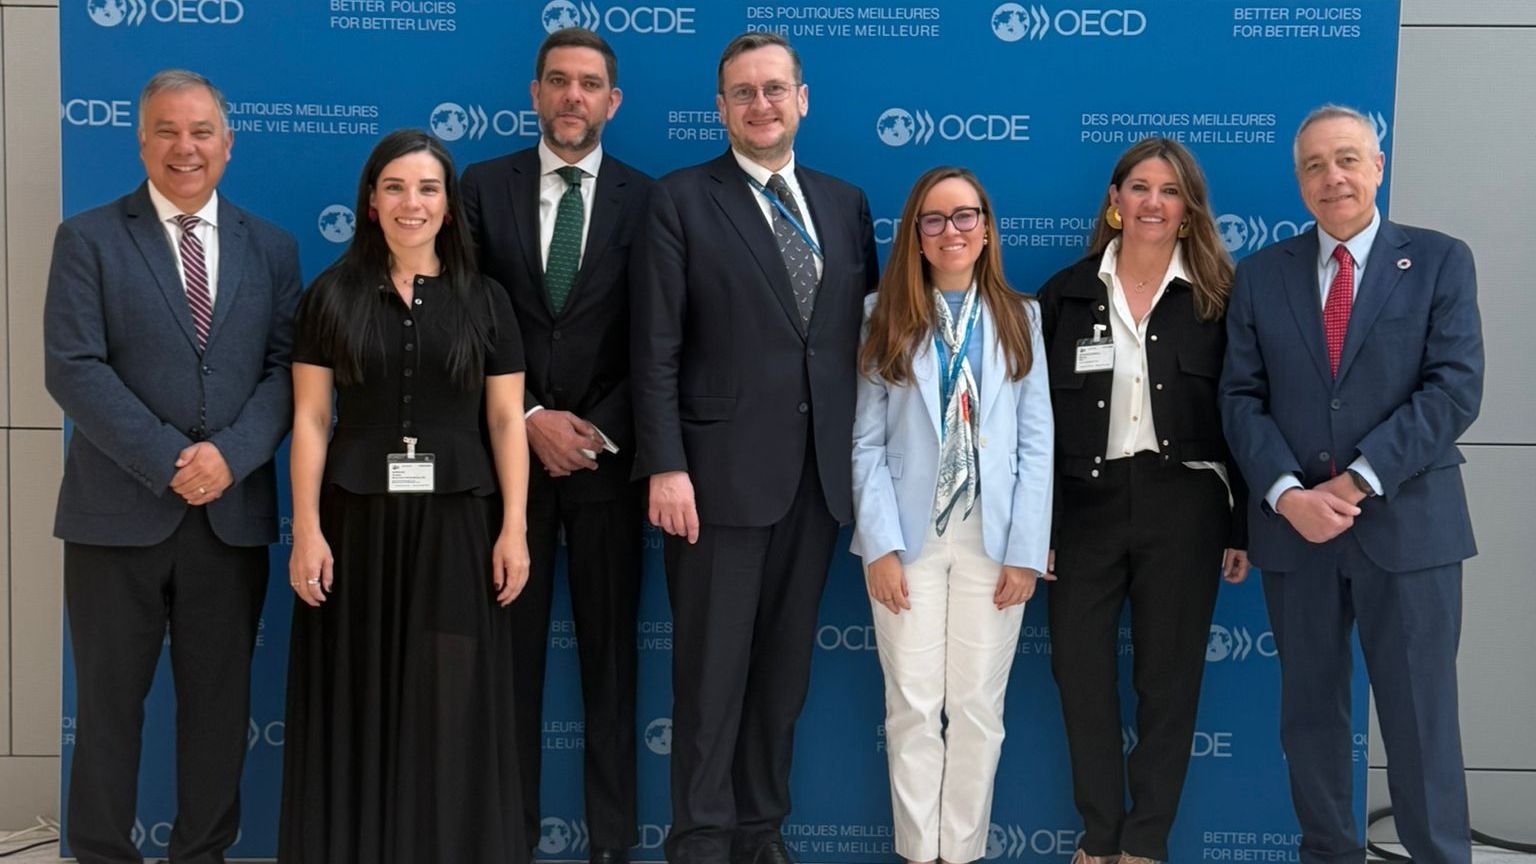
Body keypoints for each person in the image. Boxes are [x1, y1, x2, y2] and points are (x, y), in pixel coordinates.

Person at [631, 31, 878, 864]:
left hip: (819, 481)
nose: (761, 104)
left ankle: (760, 831)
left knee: (782, 676)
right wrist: (666, 464)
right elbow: (654, 347)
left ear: (802, 100)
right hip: (714, 481)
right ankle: (700, 840)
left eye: (775, 89)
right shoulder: (680, 200)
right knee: (708, 677)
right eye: (743, 92)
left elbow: (861, 345)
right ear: (721, 108)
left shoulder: (845, 204)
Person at [43, 68, 300, 864]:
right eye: (166, 130)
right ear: (141, 139)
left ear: (229, 144)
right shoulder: (87, 238)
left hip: (228, 521)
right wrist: (170, 461)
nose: (183, 147)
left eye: (200, 132)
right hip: (115, 517)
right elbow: (74, 368)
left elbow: (286, 371)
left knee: (219, 710)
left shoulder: (273, 246)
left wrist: (227, 458)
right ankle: (97, 853)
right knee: (111, 708)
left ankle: (202, 855)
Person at [1221, 106, 1482, 864]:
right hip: (1294, 533)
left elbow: (1454, 389)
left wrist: (1359, 481)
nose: (1331, 177)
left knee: (1420, 721)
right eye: (1313, 165)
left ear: (1377, 164)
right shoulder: (1261, 274)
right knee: (1310, 719)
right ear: (1298, 180)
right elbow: (1239, 397)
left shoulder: (1439, 260)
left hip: (1409, 527)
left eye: (1345, 159)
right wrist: (1287, 494)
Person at [279, 128, 531, 864]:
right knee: (357, 700)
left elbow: (506, 420)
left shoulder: (486, 301)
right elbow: (311, 418)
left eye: (426, 189)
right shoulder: (329, 296)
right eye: (394, 188)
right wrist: (306, 530)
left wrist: (513, 527)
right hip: (354, 528)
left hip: (457, 528)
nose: (410, 203)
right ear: (370, 203)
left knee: (449, 704)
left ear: (448, 208)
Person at [460, 27, 653, 863]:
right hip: (506, 469)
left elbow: (661, 337)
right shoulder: (479, 187)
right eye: (558, 81)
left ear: (613, 102)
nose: (573, 97)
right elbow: (460, 318)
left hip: (611, 467)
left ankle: (611, 846)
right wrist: (531, 415)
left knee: (612, 673)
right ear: (535, 94)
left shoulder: (653, 199)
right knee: (509, 673)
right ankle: (509, 841)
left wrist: (595, 430)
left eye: (590, 84)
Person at [1038, 137, 1249, 864]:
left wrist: (1242, 525)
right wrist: (1038, 526)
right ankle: (1099, 838)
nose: (1152, 202)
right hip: (1083, 508)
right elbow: (1032, 427)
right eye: (1138, 187)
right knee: (1078, 674)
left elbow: (1246, 413)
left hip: (1184, 507)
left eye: (1168, 191)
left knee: (1169, 679)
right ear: (1114, 201)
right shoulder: (1062, 295)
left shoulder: (1219, 301)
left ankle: (1144, 844)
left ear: (1187, 211)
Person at [850, 166, 1052, 864]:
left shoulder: (1021, 318)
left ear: (987, 228)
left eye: (965, 216)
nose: (951, 231)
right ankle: (917, 853)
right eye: (933, 220)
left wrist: (1027, 550)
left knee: (975, 710)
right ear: (916, 235)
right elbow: (867, 441)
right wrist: (876, 543)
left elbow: (1037, 441)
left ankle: (960, 853)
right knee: (910, 706)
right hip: (906, 540)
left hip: (994, 544)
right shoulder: (884, 314)